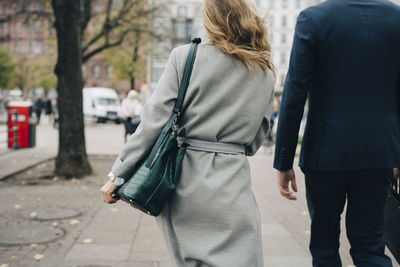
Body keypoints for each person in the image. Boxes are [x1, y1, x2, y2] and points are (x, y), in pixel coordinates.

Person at [100, 0, 275, 265]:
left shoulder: (186, 57)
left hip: (185, 179)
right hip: (233, 183)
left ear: (211, 19)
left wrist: (118, 175)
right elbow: (253, 143)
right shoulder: (264, 71)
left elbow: (152, 122)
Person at [274, 0, 400, 266]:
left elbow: (295, 93)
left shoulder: (313, 18)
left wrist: (284, 161)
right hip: (380, 152)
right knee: (370, 247)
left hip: (325, 153)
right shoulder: (396, 17)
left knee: (324, 247)